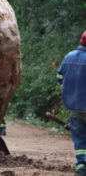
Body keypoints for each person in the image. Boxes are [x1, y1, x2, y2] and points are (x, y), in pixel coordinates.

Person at [57, 31, 86, 176]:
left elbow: (59, 77)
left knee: (80, 137)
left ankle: (81, 165)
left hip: (74, 106)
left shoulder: (69, 57)